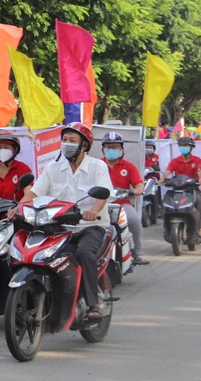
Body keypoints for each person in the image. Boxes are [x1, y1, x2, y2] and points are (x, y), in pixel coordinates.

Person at [11, 123, 113, 321]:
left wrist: (93, 211)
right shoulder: (53, 167)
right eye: (64, 140)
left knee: (84, 253)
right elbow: (35, 192)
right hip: (58, 227)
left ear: (84, 145)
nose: (66, 144)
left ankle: (94, 303)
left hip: (89, 226)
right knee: (36, 253)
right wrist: (18, 207)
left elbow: (103, 195)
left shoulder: (97, 166)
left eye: (72, 141)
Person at [101, 132, 148, 265]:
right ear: (103, 149)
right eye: (109, 147)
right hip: (102, 204)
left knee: (134, 220)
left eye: (115, 147)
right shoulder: (97, 165)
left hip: (122, 204)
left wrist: (139, 189)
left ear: (121, 149)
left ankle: (138, 253)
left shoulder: (128, 166)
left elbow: (138, 182)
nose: (112, 150)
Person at [162, 136, 201, 237]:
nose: (184, 147)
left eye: (186, 145)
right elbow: (168, 171)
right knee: (166, 201)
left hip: (191, 189)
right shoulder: (175, 161)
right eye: (182, 145)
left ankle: (200, 227)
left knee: (199, 200)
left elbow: (200, 171)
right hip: (177, 189)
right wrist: (161, 180)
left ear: (191, 147)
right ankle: (166, 227)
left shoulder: (196, 160)